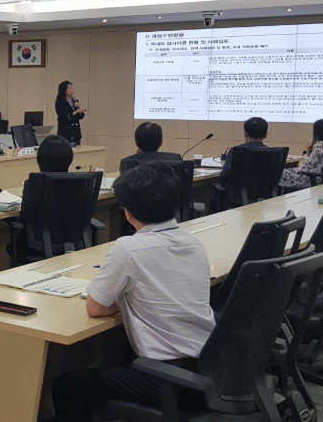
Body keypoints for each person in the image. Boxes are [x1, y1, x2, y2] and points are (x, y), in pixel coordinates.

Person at [52, 162, 215, 421]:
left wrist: (125, 300)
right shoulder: (194, 244)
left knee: (68, 385)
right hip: (209, 371)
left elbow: (94, 308)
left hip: (168, 380)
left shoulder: (128, 249)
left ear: (127, 213)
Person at [7, 135, 74, 264]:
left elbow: (25, 217)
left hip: (35, 247)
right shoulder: (80, 183)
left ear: (41, 160)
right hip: (72, 245)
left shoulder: (34, 184)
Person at [279, 118, 323, 190]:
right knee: (286, 170)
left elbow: (307, 167)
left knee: (277, 173)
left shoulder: (320, 145)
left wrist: (306, 155)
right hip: (319, 177)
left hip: (309, 178)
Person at [219, 116, 268, 182]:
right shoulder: (273, 152)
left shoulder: (236, 150)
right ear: (265, 135)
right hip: (265, 189)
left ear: (245, 133)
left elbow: (224, 177)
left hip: (237, 188)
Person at [55, 81, 86, 146]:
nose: (71, 90)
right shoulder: (60, 102)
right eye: (69, 88)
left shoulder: (74, 100)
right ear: (64, 90)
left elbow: (81, 116)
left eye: (71, 88)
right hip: (65, 132)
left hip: (76, 132)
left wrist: (78, 107)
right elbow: (63, 117)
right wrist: (76, 112)